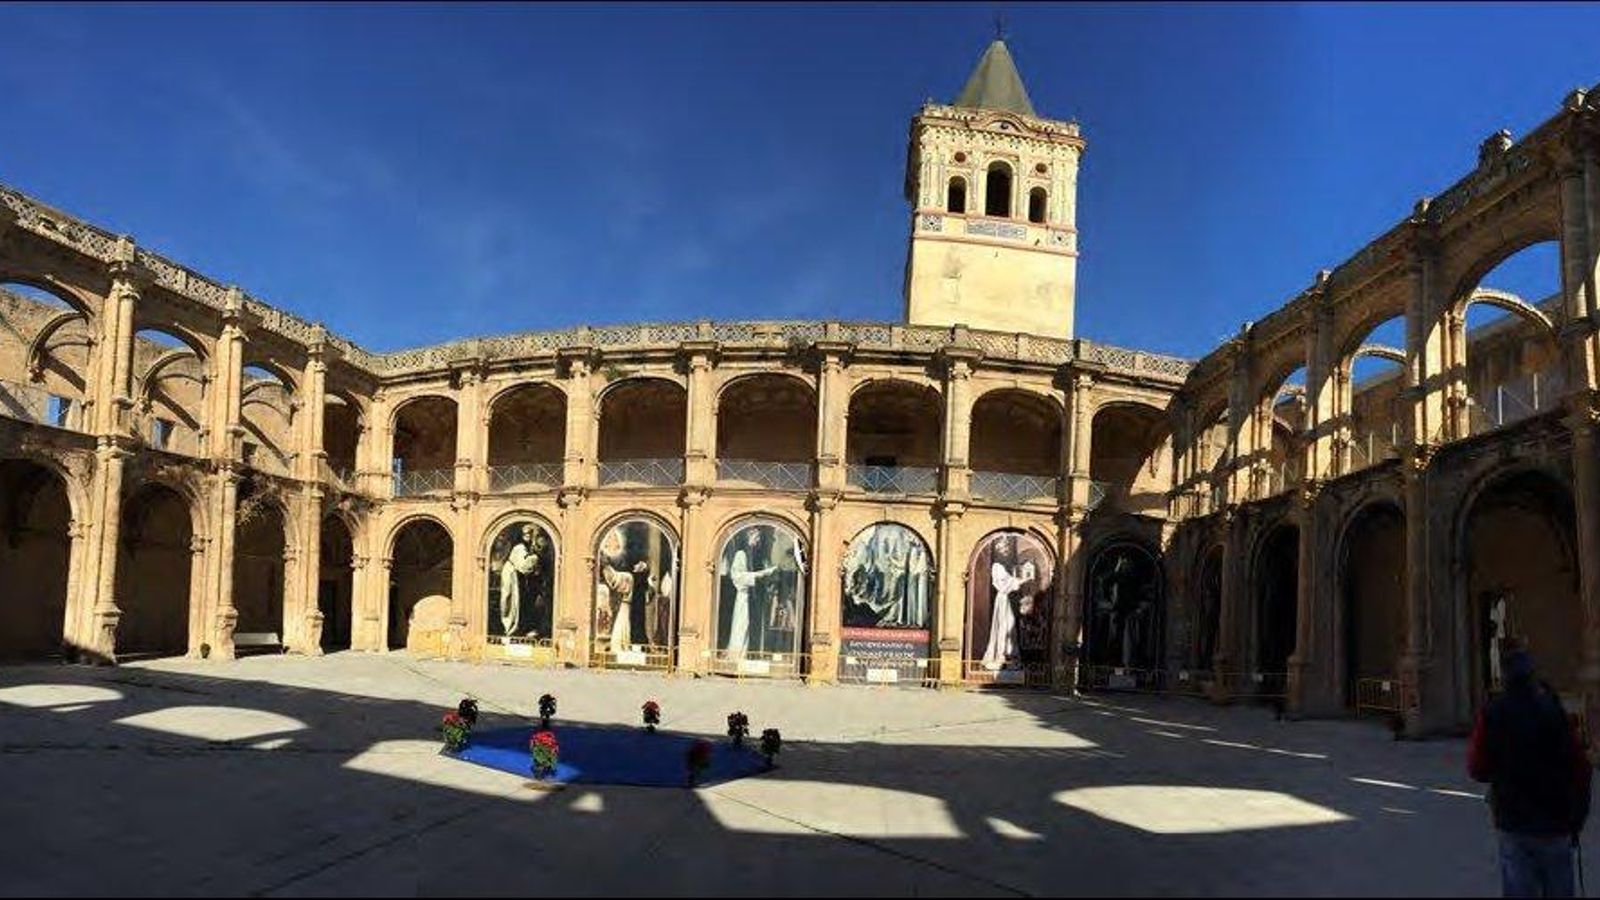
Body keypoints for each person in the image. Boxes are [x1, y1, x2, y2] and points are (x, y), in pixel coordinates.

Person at [1468, 648, 1592, 898]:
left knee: (1519, 888)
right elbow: (1580, 767)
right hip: (1556, 820)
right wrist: (1578, 815)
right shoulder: (1554, 710)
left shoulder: (1493, 713)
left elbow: (1477, 767)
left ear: (1504, 678)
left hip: (1513, 820)